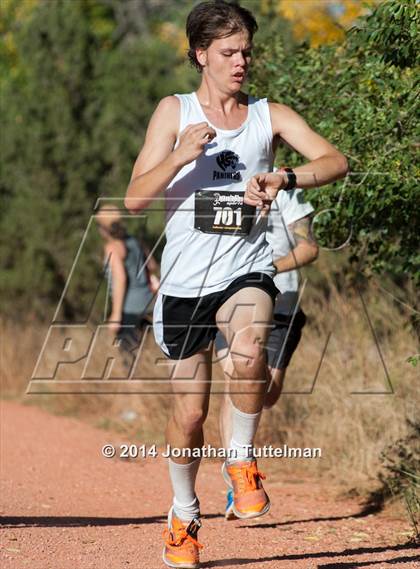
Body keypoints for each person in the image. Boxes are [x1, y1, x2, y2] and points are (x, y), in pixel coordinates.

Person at [124, 2, 348, 566]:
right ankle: (182, 513)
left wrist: (282, 175)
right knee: (190, 417)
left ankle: (242, 461)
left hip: (243, 272)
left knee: (250, 350)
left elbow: (333, 159)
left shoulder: (268, 115)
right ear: (201, 55)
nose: (241, 61)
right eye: (229, 52)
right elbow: (133, 200)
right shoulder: (173, 112)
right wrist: (179, 155)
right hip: (182, 285)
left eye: (246, 50)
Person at [215, 188, 319, 520]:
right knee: (235, 375)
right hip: (230, 299)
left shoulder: (290, 192)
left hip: (282, 302)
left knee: (266, 394)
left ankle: (239, 470)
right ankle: (239, 479)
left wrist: (264, 268)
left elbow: (308, 248)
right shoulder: (222, 187)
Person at [96, 204, 159, 352]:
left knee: (129, 361)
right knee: (150, 354)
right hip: (150, 304)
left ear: (103, 228)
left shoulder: (112, 247)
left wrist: (116, 315)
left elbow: (120, 279)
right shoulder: (134, 241)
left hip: (130, 310)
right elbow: (152, 265)